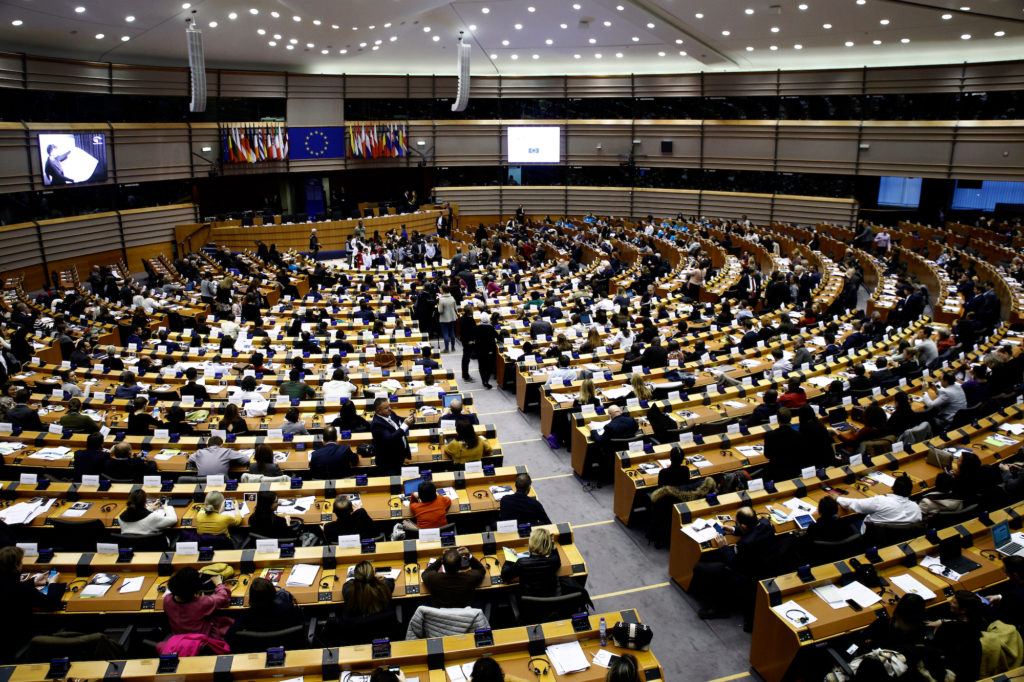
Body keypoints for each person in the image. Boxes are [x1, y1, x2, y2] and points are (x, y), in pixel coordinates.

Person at [691, 506, 791, 625]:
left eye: (737, 523)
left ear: (743, 526)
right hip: (768, 568)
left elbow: (734, 564)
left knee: (701, 567)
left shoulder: (745, 544)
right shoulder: (765, 523)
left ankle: (719, 608)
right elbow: (753, 530)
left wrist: (724, 547)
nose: (736, 525)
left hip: (749, 575)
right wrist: (733, 530)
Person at [0, 545, 66, 661]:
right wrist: (53, 583)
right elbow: (50, 604)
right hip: (18, 639)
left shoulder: (10, 585)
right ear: (16, 565)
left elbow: (11, 588)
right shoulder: (21, 590)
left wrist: (33, 582)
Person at [225, 577, 302, 646]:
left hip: (257, 651)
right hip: (287, 648)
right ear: (274, 593)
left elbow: (228, 638)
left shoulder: (246, 616)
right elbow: (300, 627)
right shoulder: (288, 609)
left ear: (251, 597)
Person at [833, 474, 921, 533]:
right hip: (897, 540)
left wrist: (837, 498)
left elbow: (855, 504)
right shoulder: (916, 509)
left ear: (892, 487)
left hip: (871, 537)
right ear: (910, 491)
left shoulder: (880, 501)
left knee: (849, 520)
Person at [163, 566, 233, 640]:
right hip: (203, 641)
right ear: (195, 590)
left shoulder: (167, 601)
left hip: (180, 640)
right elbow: (223, 597)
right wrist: (219, 583)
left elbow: (180, 586)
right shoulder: (202, 603)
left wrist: (192, 575)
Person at [500, 527, 563, 598]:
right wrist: (551, 544)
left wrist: (509, 558)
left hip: (529, 605)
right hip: (551, 603)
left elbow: (505, 576)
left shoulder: (522, 563)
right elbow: (557, 559)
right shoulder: (553, 561)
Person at [421, 546, 486, 608]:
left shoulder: (434, 579)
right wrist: (470, 557)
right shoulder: (470, 578)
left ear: (442, 563)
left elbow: (425, 573)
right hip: (464, 615)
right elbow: (481, 570)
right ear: (461, 564)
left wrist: (442, 558)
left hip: (441, 616)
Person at [370, 397, 414, 475]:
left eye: (389, 406)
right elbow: (390, 438)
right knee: (395, 482)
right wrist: (405, 425)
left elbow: (399, 419)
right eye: (386, 408)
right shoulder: (377, 424)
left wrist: (409, 419)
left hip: (399, 456)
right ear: (378, 411)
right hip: (389, 462)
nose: (390, 409)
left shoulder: (390, 413)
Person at [763, 407, 803, 481]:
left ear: (778, 419)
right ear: (790, 419)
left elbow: (767, 455)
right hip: (794, 470)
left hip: (776, 471)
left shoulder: (770, 435)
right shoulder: (798, 435)